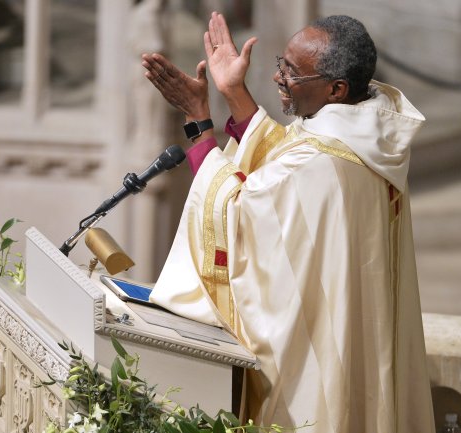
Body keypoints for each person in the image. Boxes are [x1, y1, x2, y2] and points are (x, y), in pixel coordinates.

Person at [143, 11, 435, 433]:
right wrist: (233, 91)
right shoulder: (370, 136)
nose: (279, 77)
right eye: (282, 63)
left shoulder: (321, 160)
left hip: (312, 355)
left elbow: (239, 210)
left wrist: (198, 120)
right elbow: (285, 158)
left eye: (292, 73)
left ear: (336, 88)